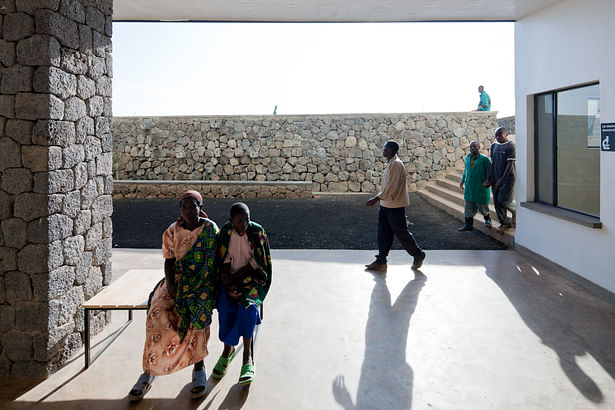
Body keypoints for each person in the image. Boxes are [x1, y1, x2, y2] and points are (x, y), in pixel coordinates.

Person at [128, 190, 219, 400]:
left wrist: (208, 286)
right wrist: (171, 287)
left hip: (202, 282)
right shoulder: (172, 230)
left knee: (198, 313)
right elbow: (169, 261)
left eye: (192, 206)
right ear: (180, 209)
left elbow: (215, 261)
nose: (188, 211)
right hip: (176, 280)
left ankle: (199, 368)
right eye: (184, 207)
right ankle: (150, 370)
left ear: (200, 208)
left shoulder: (210, 229)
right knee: (157, 313)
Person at [211, 202, 272, 385]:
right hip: (229, 279)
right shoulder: (224, 233)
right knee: (225, 304)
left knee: (248, 307)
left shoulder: (256, 232)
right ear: (230, 221)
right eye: (239, 221)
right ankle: (227, 351)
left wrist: (234, 277)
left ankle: (247, 357)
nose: (244, 225)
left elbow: (258, 264)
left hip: (253, 279)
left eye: (247, 220)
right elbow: (221, 261)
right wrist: (229, 286)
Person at [365, 140, 426, 272]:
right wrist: (379, 199)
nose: (383, 150)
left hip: (395, 206)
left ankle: (418, 254)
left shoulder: (396, 165)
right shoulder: (390, 163)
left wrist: (375, 198)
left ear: (391, 150)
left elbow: (390, 188)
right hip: (386, 204)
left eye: (385, 148)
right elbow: (387, 187)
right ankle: (381, 261)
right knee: (383, 233)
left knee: (401, 232)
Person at [484, 127, 516, 232]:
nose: (497, 138)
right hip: (495, 178)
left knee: (503, 200)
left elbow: (510, 165)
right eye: (496, 136)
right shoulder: (494, 146)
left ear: (506, 134)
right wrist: (488, 179)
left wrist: (502, 180)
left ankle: (516, 210)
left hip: (507, 179)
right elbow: (492, 164)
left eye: (500, 135)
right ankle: (505, 223)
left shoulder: (511, 146)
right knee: (497, 203)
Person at [458, 141, 492, 231]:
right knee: (468, 207)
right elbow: (466, 170)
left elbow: (490, 171)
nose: (472, 148)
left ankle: (487, 219)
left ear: (479, 147)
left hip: (481, 187)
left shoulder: (484, 159)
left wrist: (488, 181)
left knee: (483, 207)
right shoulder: (468, 158)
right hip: (470, 187)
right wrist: (462, 181)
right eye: (471, 147)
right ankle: (468, 225)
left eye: (474, 146)